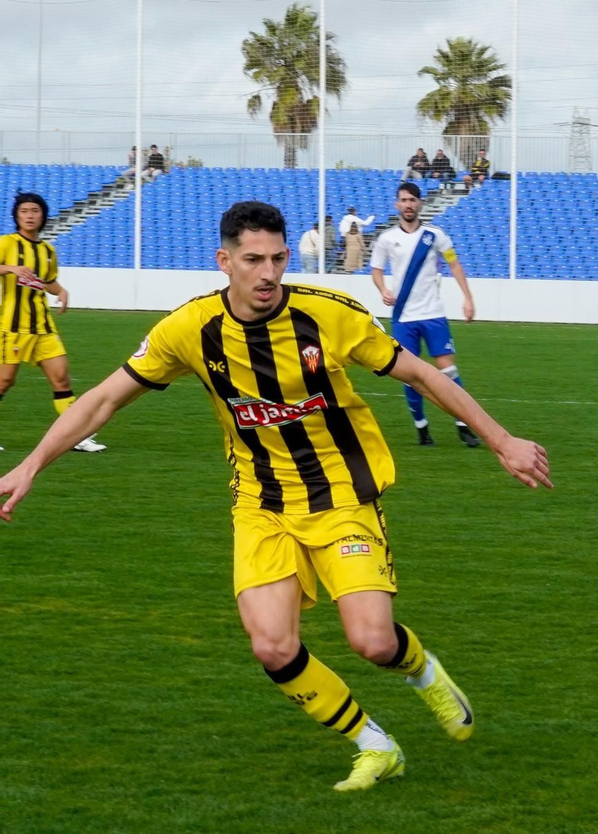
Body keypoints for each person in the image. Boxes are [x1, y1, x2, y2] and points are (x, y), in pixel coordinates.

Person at [0, 200, 554, 792]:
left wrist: (501, 440)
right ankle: (374, 745)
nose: (268, 273)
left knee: (370, 640)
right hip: (260, 503)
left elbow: (421, 374)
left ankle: (424, 674)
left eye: (278, 258)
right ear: (225, 261)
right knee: (271, 645)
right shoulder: (189, 330)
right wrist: (32, 463)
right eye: (253, 259)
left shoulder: (327, 315)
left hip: (341, 493)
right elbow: (104, 399)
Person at [370, 182, 481, 449]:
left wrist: (468, 297)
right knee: (411, 375)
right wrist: (383, 288)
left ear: (419, 204)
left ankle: (463, 425)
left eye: (412, 200)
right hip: (403, 317)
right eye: (403, 200)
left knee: (449, 371)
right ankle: (422, 428)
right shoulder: (386, 238)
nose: (408, 204)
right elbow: (376, 269)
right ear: (397, 204)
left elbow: (454, 263)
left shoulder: (435, 235)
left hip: (433, 314)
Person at [0, 192, 106, 454]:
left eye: (35, 211)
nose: (29, 215)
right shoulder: (7, 243)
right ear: (17, 215)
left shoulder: (47, 250)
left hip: (43, 327)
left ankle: (74, 436)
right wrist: (11, 268)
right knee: (4, 381)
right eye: (24, 211)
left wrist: (60, 291)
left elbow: (46, 281)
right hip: (13, 327)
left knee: (61, 379)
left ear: (42, 216)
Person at [339, 207, 375, 273]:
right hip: (353, 240)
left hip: (344, 238)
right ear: (354, 212)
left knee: (347, 256)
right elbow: (365, 223)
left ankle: (346, 268)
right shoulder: (354, 219)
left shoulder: (344, 219)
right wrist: (372, 217)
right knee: (356, 259)